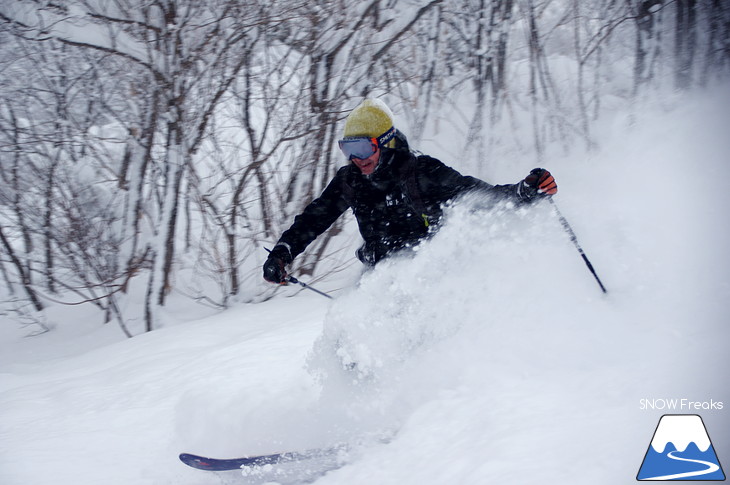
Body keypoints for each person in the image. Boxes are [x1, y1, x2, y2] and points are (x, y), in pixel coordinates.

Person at [263, 99, 557, 284]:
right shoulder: (350, 180)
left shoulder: (421, 171)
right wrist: (282, 254)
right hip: (379, 272)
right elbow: (314, 219)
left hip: (426, 274)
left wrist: (524, 190)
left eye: (365, 147)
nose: (358, 158)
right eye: (348, 149)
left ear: (386, 141)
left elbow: (475, 195)